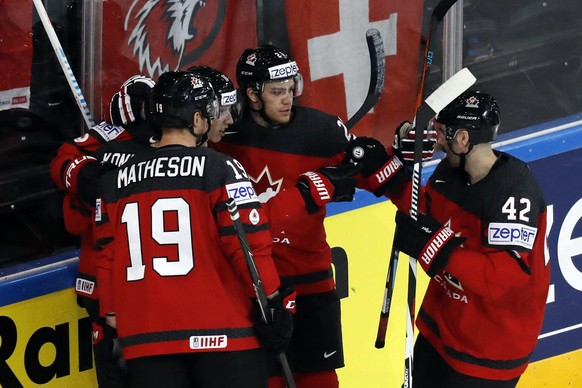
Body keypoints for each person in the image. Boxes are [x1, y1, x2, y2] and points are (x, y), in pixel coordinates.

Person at [93, 70, 294, 388]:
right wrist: (271, 300)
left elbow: (106, 257)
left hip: (147, 340)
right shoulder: (219, 167)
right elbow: (247, 245)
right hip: (224, 337)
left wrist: (113, 318)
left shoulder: (114, 180)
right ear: (198, 119)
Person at [345, 90, 550, 387]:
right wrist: (388, 176)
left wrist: (436, 248)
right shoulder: (450, 173)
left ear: (464, 139)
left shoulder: (513, 194)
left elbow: (506, 277)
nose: (438, 141)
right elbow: (426, 214)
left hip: (489, 347)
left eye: (444, 134)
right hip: (441, 328)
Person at [211, 44, 362, 388]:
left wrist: (398, 150)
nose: (288, 98)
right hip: (254, 287)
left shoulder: (322, 130)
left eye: (291, 88)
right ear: (251, 94)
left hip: (312, 281)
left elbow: (364, 169)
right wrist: (305, 194)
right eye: (277, 91)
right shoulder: (224, 135)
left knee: (320, 381)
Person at [49, 74, 157, 387]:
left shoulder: (170, 142)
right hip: (105, 282)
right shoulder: (108, 139)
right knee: (116, 372)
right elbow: (64, 159)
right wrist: (88, 179)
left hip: (149, 280)